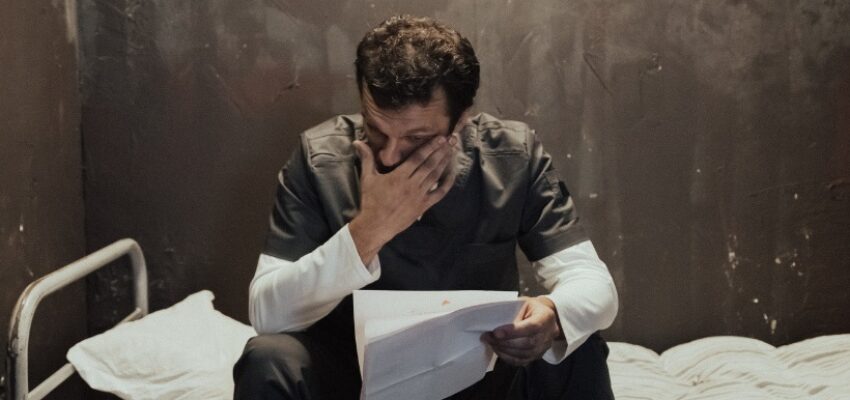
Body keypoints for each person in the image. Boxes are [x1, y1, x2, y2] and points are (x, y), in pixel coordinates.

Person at [233, 15, 618, 400]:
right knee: (268, 357)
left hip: (479, 377)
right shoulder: (320, 159)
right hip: (354, 381)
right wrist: (368, 232)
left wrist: (551, 313)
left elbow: (594, 285)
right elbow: (268, 314)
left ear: (461, 121)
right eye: (376, 130)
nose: (390, 153)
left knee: (576, 344)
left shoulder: (511, 156)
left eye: (417, 138)